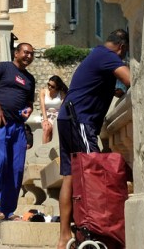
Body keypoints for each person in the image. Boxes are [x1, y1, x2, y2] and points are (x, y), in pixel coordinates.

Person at [55, 29, 132, 249]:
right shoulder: (108, 56)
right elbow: (131, 79)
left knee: (70, 175)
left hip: (68, 116)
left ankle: (64, 237)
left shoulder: (96, 55)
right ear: (122, 46)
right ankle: (93, 232)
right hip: (81, 119)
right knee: (92, 173)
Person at [0, 42, 36, 222]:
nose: (28, 56)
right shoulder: (3, 68)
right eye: (25, 52)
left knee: (17, 169)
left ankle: (8, 210)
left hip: (18, 126)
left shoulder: (30, 79)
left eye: (31, 54)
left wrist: (28, 110)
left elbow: (29, 103)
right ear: (16, 53)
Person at [39, 75, 69, 145]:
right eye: (48, 84)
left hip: (58, 114)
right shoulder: (43, 92)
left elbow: (63, 107)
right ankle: (45, 149)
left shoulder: (61, 93)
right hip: (46, 114)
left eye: (52, 86)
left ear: (57, 87)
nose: (49, 87)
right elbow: (42, 107)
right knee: (46, 128)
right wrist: (45, 120)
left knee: (57, 128)